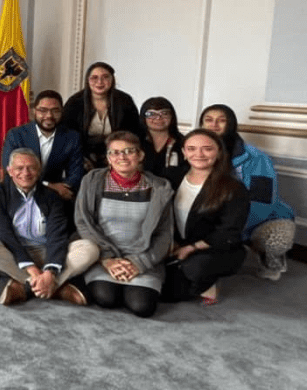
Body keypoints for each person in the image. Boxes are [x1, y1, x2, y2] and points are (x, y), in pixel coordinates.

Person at [0, 149, 98, 306]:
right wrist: (31, 268)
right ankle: (54, 287)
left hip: (47, 250)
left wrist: (50, 271)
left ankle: (30, 286)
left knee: (90, 248)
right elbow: (3, 233)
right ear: (10, 171)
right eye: (19, 168)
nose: (25, 173)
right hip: (13, 253)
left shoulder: (52, 196)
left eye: (31, 168)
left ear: (39, 171)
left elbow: (57, 235)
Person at [74, 132, 173, 318]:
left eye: (129, 151)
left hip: (143, 257)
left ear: (141, 155)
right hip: (104, 255)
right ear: (108, 158)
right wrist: (107, 259)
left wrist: (138, 263)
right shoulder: (92, 181)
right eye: (115, 152)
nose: (122, 157)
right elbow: (83, 223)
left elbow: (164, 234)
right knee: (106, 298)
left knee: (141, 306)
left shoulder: (159, 187)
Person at [199, 104, 295, 280]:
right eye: (209, 120)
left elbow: (262, 201)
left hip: (262, 218)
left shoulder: (256, 157)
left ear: (231, 124)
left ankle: (271, 260)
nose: (214, 125)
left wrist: (232, 230)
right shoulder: (197, 153)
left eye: (221, 120)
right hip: (220, 217)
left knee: (276, 239)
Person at [161, 130, 249, 305]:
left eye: (207, 149)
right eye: (191, 149)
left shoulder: (234, 188)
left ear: (219, 152)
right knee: (154, 288)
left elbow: (229, 232)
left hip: (216, 248)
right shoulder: (171, 177)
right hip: (179, 243)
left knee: (172, 292)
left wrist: (191, 248)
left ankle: (210, 280)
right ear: (184, 153)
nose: (199, 154)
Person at [2, 90, 84, 204]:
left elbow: (76, 173)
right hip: (21, 192)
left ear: (62, 112)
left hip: (55, 198)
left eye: (55, 111)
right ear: (34, 111)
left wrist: (62, 189)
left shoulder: (72, 137)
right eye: (43, 110)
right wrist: (49, 186)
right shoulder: (16, 135)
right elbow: (9, 169)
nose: (49, 116)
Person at [62, 62, 142, 169]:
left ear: (112, 79)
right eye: (94, 78)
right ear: (87, 80)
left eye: (105, 77)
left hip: (118, 153)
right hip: (82, 155)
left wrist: (115, 155)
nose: (99, 82)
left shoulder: (124, 101)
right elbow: (68, 134)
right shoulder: (75, 102)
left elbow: (133, 132)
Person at [139, 97, 186, 189]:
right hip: (141, 194)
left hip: (174, 193)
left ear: (172, 117)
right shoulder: (135, 142)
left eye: (164, 113)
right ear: (143, 117)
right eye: (151, 114)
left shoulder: (183, 142)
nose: (158, 118)